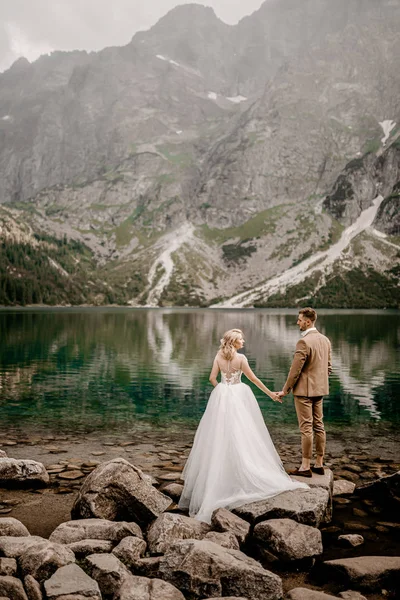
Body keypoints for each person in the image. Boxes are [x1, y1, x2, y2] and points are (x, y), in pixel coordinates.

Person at [179, 328, 308, 523]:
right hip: (239, 395)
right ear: (234, 342)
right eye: (240, 339)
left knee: (218, 436)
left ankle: (216, 480)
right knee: (244, 434)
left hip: (222, 397)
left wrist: (223, 390)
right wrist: (271, 394)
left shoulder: (218, 357)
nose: (243, 342)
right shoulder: (241, 359)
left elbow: (212, 379)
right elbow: (254, 379)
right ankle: (242, 474)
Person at [277, 308, 332, 477]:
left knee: (306, 428)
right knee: (319, 426)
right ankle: (319, 464)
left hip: (304, 392)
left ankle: (305, 467)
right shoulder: (325, 340)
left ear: (308, 321)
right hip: (320, 390)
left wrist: (285, 390)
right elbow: (328, 368)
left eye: (300, 320)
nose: (297, 322)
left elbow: (295, 371)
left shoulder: (304, 342)